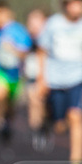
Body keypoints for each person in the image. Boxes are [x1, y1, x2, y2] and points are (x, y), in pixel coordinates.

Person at [36, 0, 82, 164]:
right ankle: (48, 122)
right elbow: (42, 51)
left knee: (76, 116)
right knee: (60, 126)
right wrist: (41, 78)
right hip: (55, 80)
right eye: (72, 1)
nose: (77, 6)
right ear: (64, 4)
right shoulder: (53, 24)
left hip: (77, 79)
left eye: (80, 1)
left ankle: (76, 163)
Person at [0, 0, 32, 146]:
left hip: (14, 74)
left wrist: (13, 49)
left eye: (1, 14)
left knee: (10, 105)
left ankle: (6, 122)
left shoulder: (18, 31)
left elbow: (24, 53)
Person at [23, 8, 50, 151]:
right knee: (34, 101)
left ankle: (45, 127)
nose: (33, 25)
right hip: (32, 76)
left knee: (46, 106)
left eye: (37, 21)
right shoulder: (26, 39)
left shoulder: (50, 38)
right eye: (31, 22)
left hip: (49, 77)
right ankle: (36, 131)